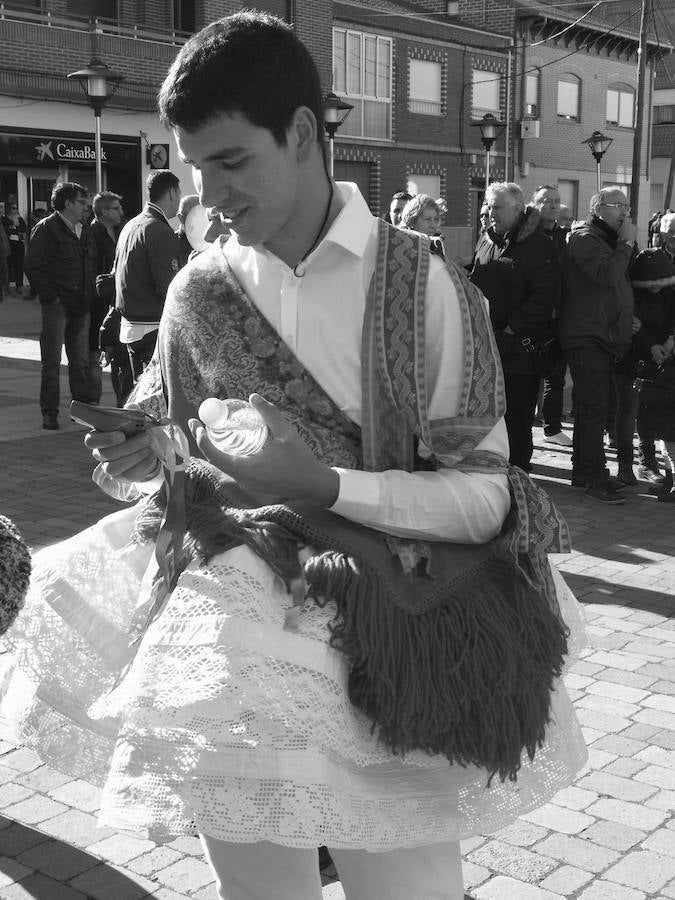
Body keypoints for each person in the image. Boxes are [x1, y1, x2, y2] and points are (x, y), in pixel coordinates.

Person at [3, 13, 586, 900]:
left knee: (407, 891)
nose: (212, 193)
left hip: (391, 628)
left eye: (232, 162)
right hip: (232, 638)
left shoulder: (421, 283)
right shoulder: (197, 286)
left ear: (306, 133)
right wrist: (140, 455)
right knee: (257, 889)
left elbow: (484, 496)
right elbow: (172, 457)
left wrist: (321, 484)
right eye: (197, 169)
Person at [470, 181, 559, 472]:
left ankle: (518, 479)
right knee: (487, 418)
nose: (490, 212)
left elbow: (545, 297)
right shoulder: (485, 239)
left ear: (518, 209)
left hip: (519, 352)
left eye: (497, 207)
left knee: (517, 421)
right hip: (484, 347)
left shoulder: (539, 245)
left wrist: (511, 330)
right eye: (488, 206)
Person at [558, 189, 636, 503]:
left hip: (603, 334)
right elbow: (607, 274)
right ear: (599, 208)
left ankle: (584, 471)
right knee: (593, 408)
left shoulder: (604, 238)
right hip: (586, 336)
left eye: (627, 206)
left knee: (595, 407)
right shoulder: (585, 238)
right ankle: (593, 475)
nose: (626, 212)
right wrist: (626, 244)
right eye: (619, 206)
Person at [24, 182, 98, 430]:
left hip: (81, 305)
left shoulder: (84, 230)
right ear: (67, 203)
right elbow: (33, 266)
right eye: (81, 202)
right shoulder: (46, 229)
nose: (85, 207)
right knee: (52, 362)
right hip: (57, 306)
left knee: (80, 362)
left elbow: (91, 265)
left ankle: (81, 411)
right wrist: (52, 297)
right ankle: (50, 412)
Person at [114, 169, 181, 384]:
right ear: (171, 193)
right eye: (178, 194)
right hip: (151, 327)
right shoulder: (159, 230)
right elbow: (169, 287)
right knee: (155, 403)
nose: (179, 200)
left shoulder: (130, 226)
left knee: (139, 396)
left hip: (131, 324)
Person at [626, 249, 675, 500]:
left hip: (669, 361)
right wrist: (651, 346)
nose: (655, 287)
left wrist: (670, 340)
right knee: (651, 419)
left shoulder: (671, 294)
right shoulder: (635, 296)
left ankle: (672, 479)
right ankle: (658, 471)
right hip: (647, 360)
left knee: (669, 426)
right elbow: (636, 325)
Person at [532, 184, 572, 448]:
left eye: (557, 201)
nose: (554, 205)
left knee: (556, 375)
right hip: (532, 316)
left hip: (557, 316)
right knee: (525, 379)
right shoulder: (527, 234)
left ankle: (552, 426)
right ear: (535, 203)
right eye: (547, 200)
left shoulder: (564, 236)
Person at [88, 191, 124, 404]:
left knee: (119, 355)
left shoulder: (123, 230)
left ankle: (122, 400)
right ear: (104, 211)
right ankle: (93, 402)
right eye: (116, 208)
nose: (121, 212)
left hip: (118, 302)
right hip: (98, 303)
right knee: (95, 353)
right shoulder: (91, 233)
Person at [2, 200, 28, 295]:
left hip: (19, 244)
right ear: (9, 209)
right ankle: (7, 286)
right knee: (7, 266)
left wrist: (14, 227)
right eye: (13, 208)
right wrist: (15, 228)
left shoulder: (19, 218)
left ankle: (19, 286)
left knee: (19, 265)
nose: (16, 210)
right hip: (9, 245)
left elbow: (23, 229)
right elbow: (6, 230)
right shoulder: (4, 219)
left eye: (16, 208)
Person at [0, 201, 10, 301]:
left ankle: (6, 290)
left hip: (3, 252)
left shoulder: (2, 223)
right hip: (1, 252)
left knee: (4, 271)